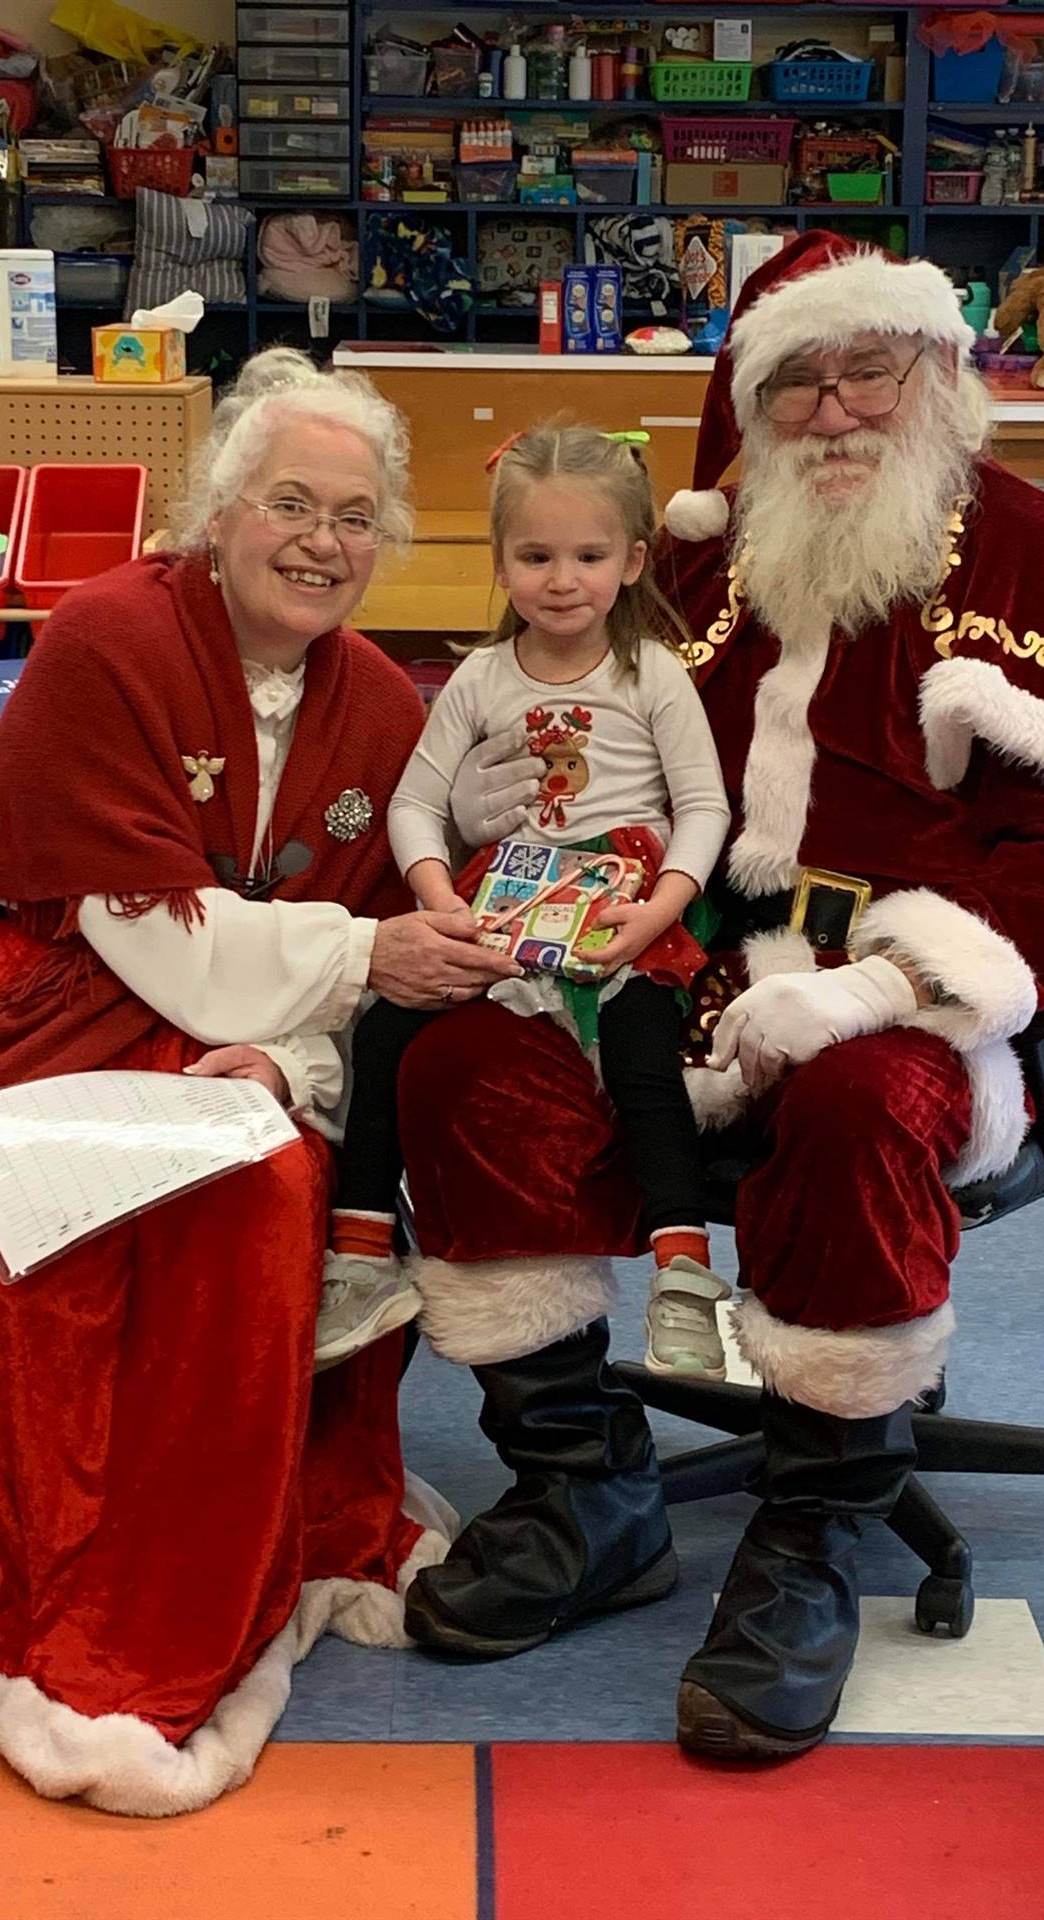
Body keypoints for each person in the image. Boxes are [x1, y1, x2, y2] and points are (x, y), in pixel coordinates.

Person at [393, 234, 1044, 1753]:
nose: (838, 409)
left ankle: (812, 1538)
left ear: (938, 374)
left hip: (949, 992)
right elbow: (597, 761)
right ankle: (588, 1495)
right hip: (682, 955)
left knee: (853, 1106)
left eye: (872, 367)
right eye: (798, 380)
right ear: (749, 405)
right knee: (467, 1066)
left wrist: (882, 988)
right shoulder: (707, 571)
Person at [0, 347, 517, 1816]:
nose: (321, 543)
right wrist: (350, 965)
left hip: (229, 1022)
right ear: (216, 512)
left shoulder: (383, 711)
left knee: (262, 1194)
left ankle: (173, 1589)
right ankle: (20, 1580)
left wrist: (288, 1052)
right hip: (37, 996)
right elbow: (158, 931)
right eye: (289, 502)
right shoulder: (108, 635)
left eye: (354, 518)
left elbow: (379, 967)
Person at [317, 426, 732, 1384]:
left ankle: (685, 1275)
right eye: (535, 556)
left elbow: (705, 806)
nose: (561, 580)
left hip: (626, 906)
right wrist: (435, 898)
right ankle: (362, 1253)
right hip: (500, 904)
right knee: (384, 1034)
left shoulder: (652, 676)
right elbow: (416, 803)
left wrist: (663, 909)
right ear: (501, 563)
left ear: (632, 561)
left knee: (639, 1055)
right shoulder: (480, 678)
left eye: (588, 556)